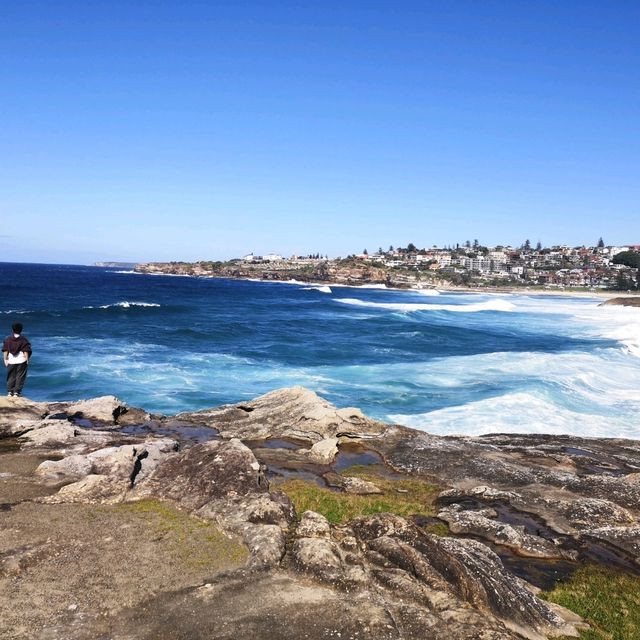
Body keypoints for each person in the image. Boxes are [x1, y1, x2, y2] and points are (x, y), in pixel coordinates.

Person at [3, 322, 32, 397]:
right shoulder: (24, 340)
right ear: (21, 330)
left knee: (10, 376)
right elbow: (26, 350)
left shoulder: (8, 339)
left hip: (11, 360)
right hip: (21, 360)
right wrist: (27, 359)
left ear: (12, 330)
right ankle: (16, 392)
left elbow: (5, 350)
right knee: (20, 376)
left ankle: (10, 392)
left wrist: (5, 359)